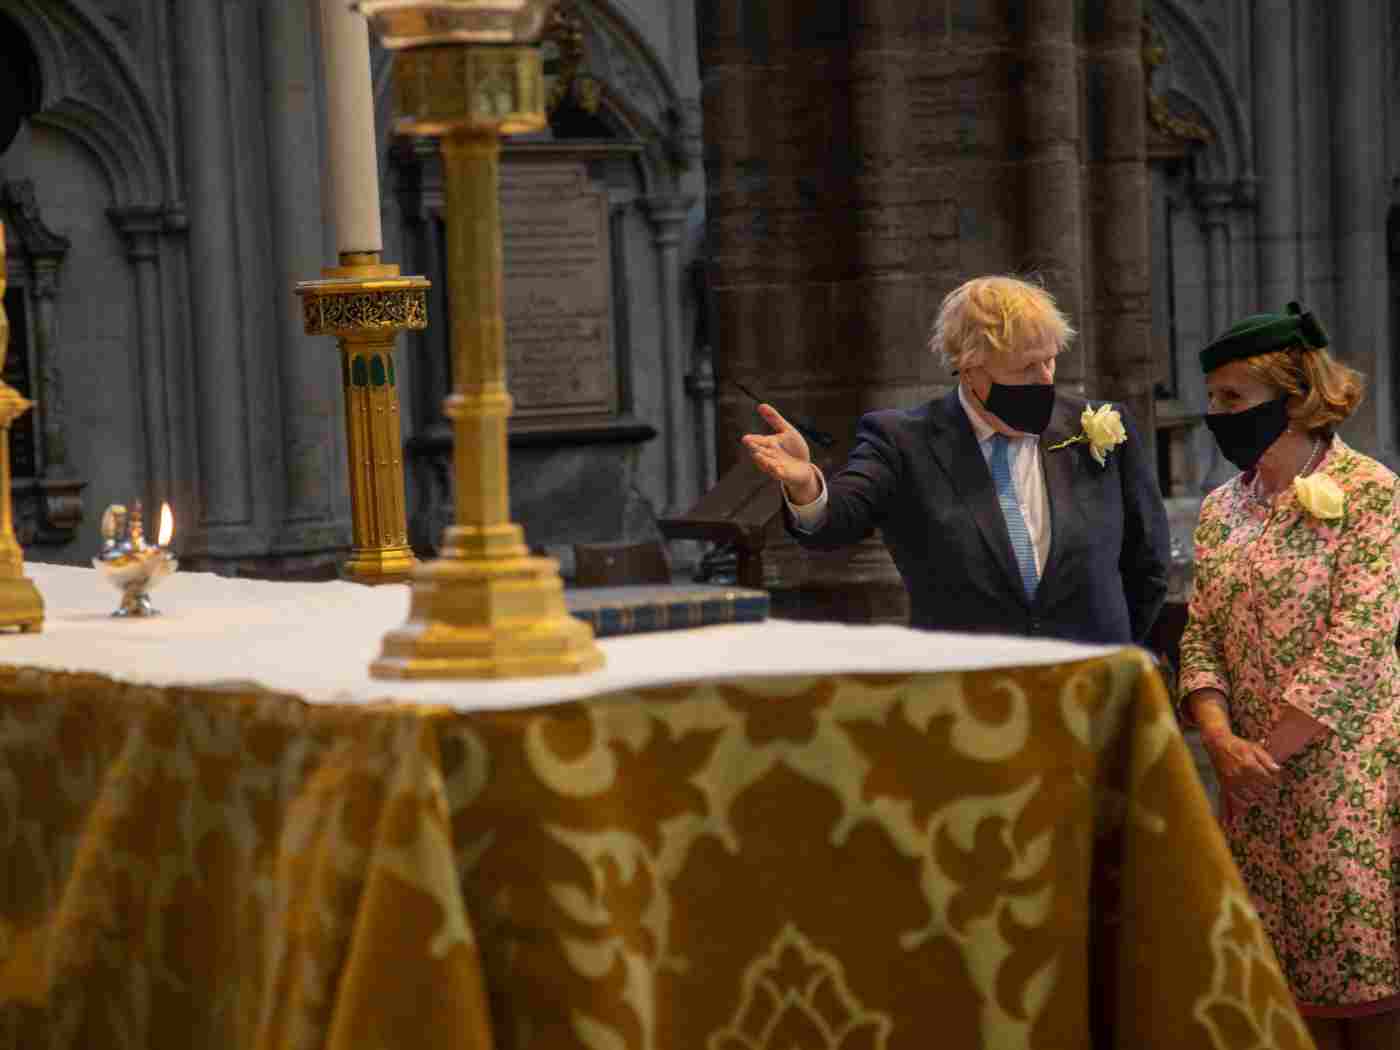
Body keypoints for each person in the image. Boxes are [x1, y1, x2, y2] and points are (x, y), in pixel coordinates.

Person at [1178, 302, 1400, 1049]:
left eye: (1232, 399)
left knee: (1364, 993)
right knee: (1271, 995)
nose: (1216, 415)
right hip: (1249, 789)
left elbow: (1357, 646)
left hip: (1346, 785)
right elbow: (1201, 633)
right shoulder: (1219, 510)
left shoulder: (1372, 494)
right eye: (1211, 399)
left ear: (1292, 393)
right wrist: (1218, 741)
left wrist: (1258, 758)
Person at [741, 274, 1170, 644]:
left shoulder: (1099, 426)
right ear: (970, 369)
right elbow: (838, 520)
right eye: (1026, 368)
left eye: (1051, 361)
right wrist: (806, 486)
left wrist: (1116, 648)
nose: (1045, 380)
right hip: (970, 699)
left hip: (1091, 687)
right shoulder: (903, 440)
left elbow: (1147, 561)